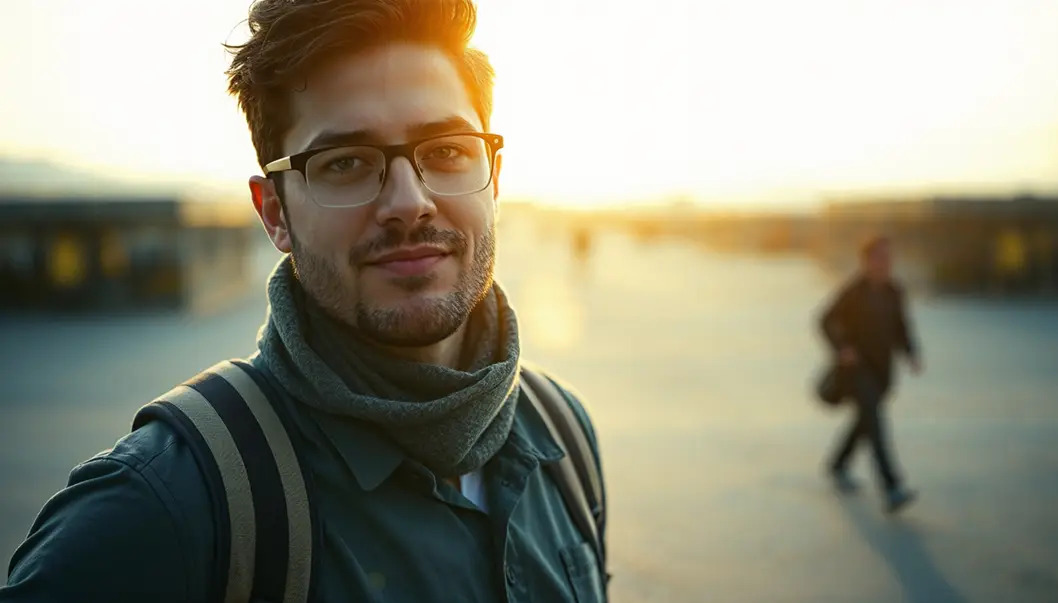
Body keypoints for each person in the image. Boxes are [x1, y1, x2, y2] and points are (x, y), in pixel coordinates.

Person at [0, 1, 607, 601]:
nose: (408, 201)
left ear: (493, 178)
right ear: (275, 215)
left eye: (447, 150)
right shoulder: (169, 504)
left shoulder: (564, 438)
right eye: (345, 162)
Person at [819, 235, 922, 514]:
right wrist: (842, 348)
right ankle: (892, 487)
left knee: (865, 421)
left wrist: (912, 353)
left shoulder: (894, 291)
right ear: (866, 261)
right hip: (857, 371)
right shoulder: (853, 292)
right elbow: (825, 319)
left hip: (882, 372)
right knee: (876, 425)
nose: (886, 263)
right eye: (879, 258)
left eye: (889, 258)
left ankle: (838, 464)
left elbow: (902, 326)